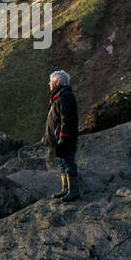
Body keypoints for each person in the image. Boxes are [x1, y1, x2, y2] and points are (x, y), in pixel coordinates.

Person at [45, 69, 80, 202]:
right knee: (62, 163)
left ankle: (73, 191)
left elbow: (67, 119)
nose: (49, 84)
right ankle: (66, 189)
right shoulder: (58, 97)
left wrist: (63, 138)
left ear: (58, 82)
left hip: (64, 139)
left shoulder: (65, 97)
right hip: (56, 139)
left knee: (68, 162)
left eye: (51, 81)